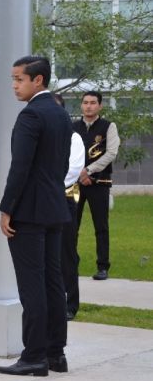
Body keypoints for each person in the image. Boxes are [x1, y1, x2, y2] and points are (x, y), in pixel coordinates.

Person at [0, 56, 72, 377]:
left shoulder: (31, 116)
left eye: (19, 79)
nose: (14, 85)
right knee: (53, 282)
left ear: (37, 80)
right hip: (55, 207)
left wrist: (6, 208)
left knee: (33, 285)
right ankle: (56, 353)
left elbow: (20, 168)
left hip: (28, 212)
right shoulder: (60, 114)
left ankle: (34, 356)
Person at [74, 90, 120, 281]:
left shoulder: (108, 126)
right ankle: (70, 266)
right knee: (70, 225)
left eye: (93, 102)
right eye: (85, 102)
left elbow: (111, 153)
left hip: (99, 183)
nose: (89, 106)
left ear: (100, 106)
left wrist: (89, 171)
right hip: (75, 185)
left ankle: (103, 267)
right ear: (81, 105)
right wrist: (79, 173)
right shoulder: (73, 127)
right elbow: (66, 152)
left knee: (101, 226)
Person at [54, 94, 85, 321]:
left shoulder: (73, 138)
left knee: (66, 253)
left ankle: (70, 303)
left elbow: (73, 171)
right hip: (41, 199)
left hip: (63, 199)